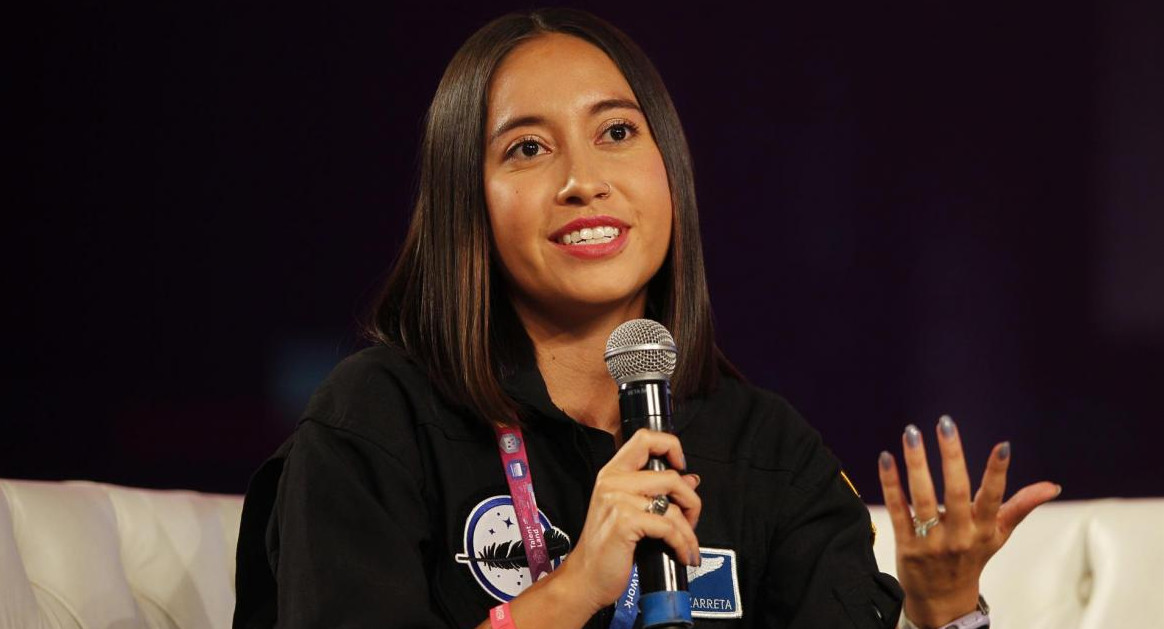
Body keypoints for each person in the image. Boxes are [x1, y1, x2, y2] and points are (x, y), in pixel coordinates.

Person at [233, 8, 1060, 629]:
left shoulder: (763, 451)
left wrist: (948, 606)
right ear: (466, 203)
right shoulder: (382, 419)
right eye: (527, 148)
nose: (583, 180)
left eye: (618, 132)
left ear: (671, 172)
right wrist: (571, 588)